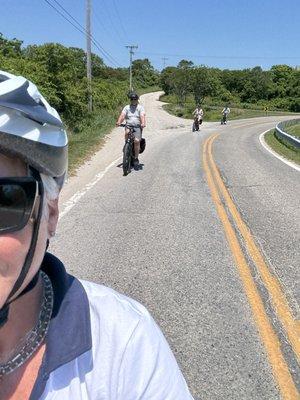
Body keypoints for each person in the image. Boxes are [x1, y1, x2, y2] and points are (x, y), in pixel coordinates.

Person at [0, 70, 194, 399]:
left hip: (137, 131)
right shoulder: (125, 110)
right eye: (131, 102)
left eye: (5, 199)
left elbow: (138, 120)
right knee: (125, 137)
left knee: (134, 140)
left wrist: (136, 127)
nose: (132, 104)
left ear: (50, 213)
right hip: (125, 129)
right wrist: (121, 122)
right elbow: (122, 118)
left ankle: (134, 157)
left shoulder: (125, 343)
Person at [116, 92, 146, 170]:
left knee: (136, 141)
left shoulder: (140, 107)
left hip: (137, 126)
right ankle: (127, 145)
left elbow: (142, 116)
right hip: (128, 125)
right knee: (126, 132)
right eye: (132, 99)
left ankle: (136, 158)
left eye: (135, 99)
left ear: (137, 100)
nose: (133, 100)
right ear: (130, 100)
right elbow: (122, 115)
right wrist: (119, 122)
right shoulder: (127, 107)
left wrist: (143, 123)